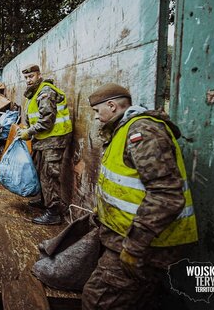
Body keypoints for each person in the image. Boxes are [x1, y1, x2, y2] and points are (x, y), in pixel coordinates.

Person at [82, 83, 198, 309]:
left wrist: (134, 246)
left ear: (112, 106)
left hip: (144, 242)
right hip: (131, 237)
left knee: (97, 301)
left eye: (97, 111)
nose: (96, 117)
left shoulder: (142, 133)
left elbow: (166, 195)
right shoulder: (125, 130)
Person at [17, 64, 73, 225]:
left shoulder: (45, 92)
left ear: (39, 75)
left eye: (31, 76)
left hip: (54, 139)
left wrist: (29, 132)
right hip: (44, 139)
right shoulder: (35, 93)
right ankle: (44, 200)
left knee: (49, 175)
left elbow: (47, 120)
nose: (28, 80)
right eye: (26, 77)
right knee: (41, 171)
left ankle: (53, 212)